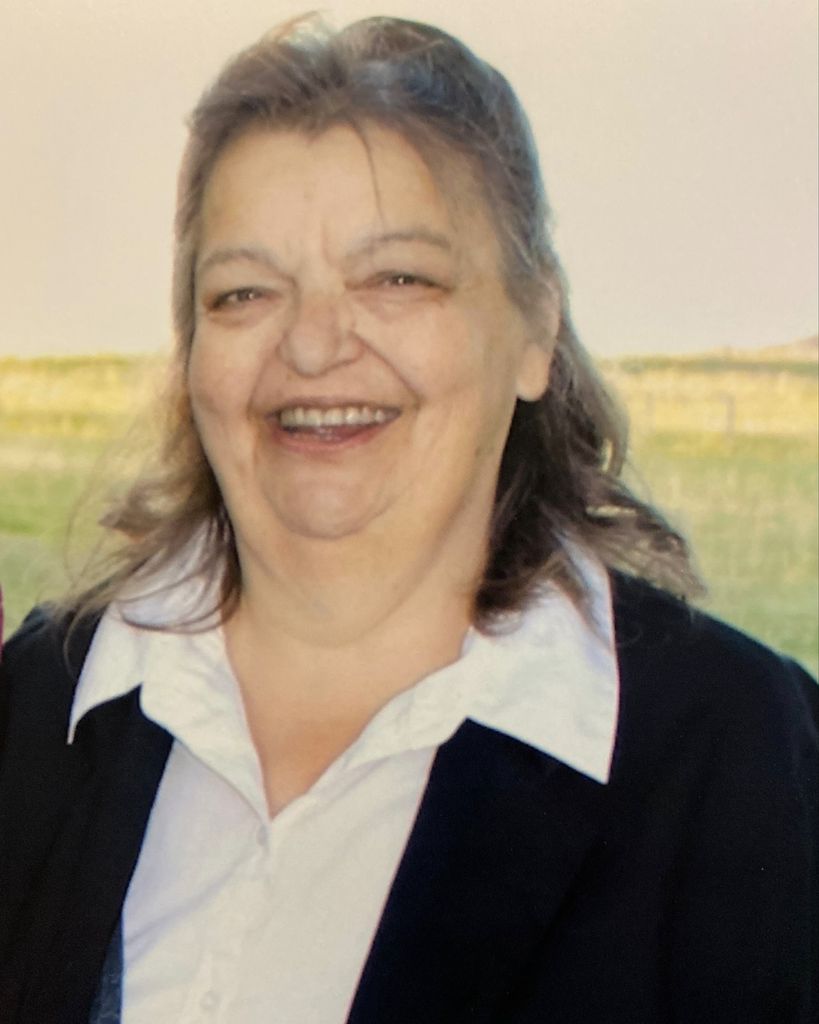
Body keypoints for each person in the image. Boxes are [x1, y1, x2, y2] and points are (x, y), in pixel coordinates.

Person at [0, 15, 816, 1024]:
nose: (312, 345)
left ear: (535, 330)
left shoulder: (745, 756)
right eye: (244, 292)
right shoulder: (37, 708)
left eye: (398, 278)